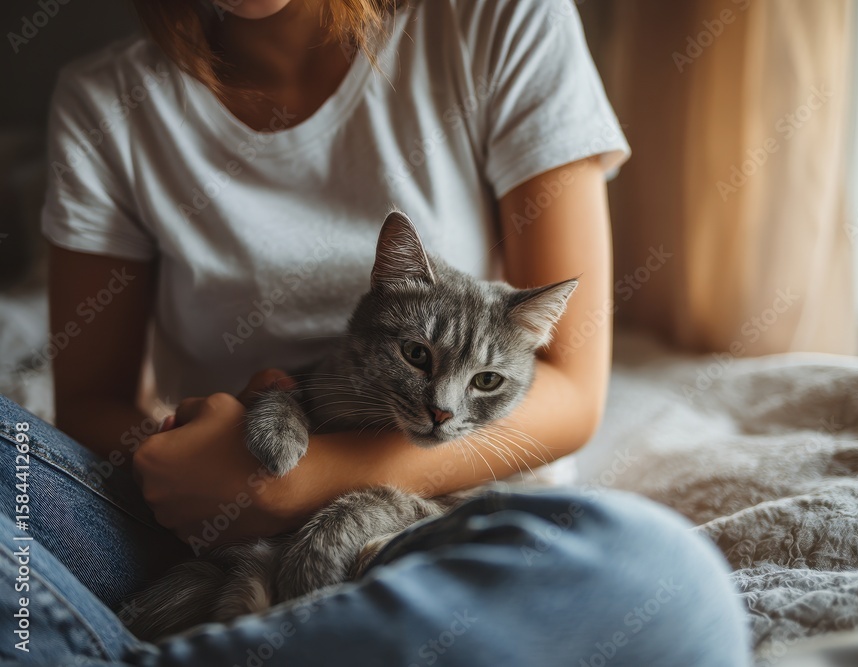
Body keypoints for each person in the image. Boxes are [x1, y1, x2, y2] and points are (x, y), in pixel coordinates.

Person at [0, 0, 752, 664]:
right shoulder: (105, 98)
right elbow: (92, 402)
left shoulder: (498, 19)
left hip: (435, 517)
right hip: (197, 523)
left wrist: (293, 486)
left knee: (665, 576)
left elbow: (571, 388)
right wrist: (189, 466)